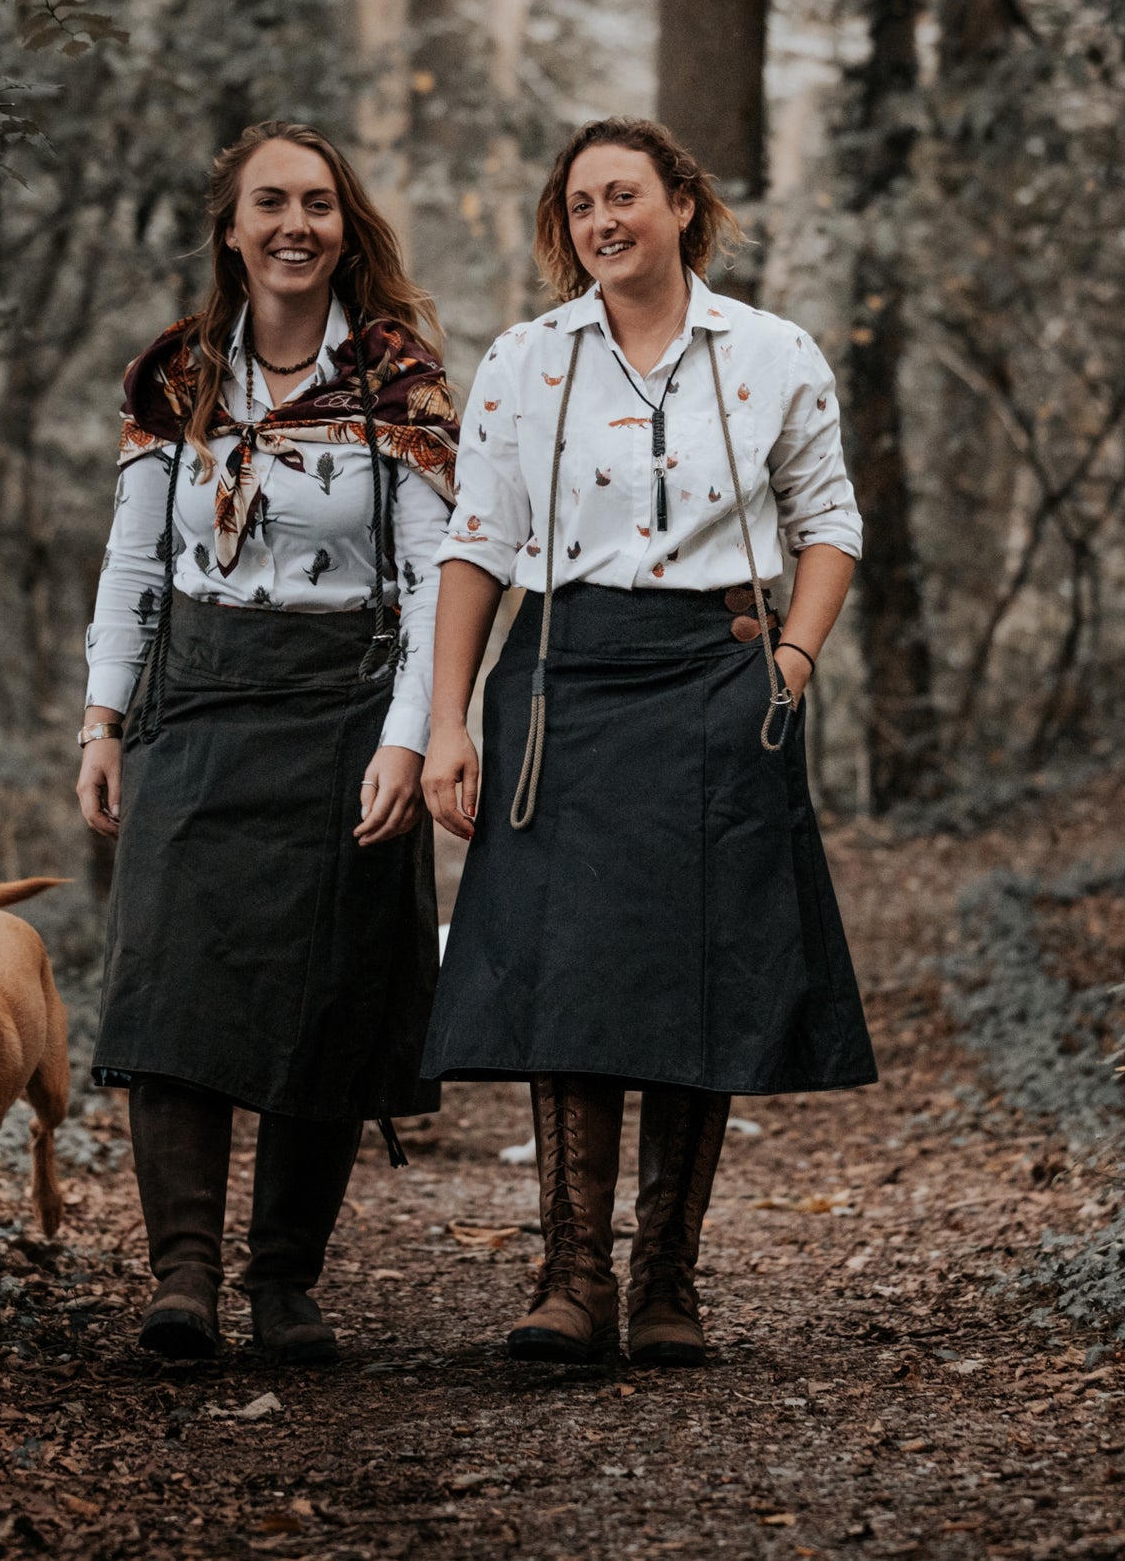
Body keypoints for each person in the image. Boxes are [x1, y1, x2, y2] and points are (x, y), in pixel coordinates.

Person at [420, 116, 875, 1366]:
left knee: (702, 969)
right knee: (566, 970)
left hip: (719, 680)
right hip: (564, 681)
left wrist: (787, 663)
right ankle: (571, 1280)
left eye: (621, 196)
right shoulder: (527, 359)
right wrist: (448, 720)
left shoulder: (773, 351)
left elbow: (828, 521)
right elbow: (474, 545)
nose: (599, 222)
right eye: (578, 206)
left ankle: (667, 1280)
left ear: (681, 202)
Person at [78, 120, 459, 1364]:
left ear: (345, 226)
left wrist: (409, 738)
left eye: (318, 203)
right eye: (269, 203)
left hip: (345, 705)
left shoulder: (397, 378)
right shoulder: (176, 373)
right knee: (172, 975)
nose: (295, 224)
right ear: (230, 228)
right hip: (195, 698)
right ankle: (179, 1279)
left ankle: (282, 1283)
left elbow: (433, 575)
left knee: (328, 993)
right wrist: (103, 715)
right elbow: (135, 557)